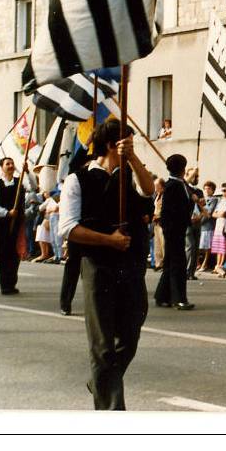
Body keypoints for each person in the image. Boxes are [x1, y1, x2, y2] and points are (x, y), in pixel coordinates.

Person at [58, 119, 155, 410]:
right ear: (113, 145)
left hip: (131, 264)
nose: (131, 148)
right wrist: (108, 240)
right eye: (128, 143)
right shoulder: (78, 179)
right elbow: (68, 228)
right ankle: (112, 414)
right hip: (98, 265)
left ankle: (100, 380)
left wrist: (134, 158)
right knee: (102, 345)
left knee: (131, 332)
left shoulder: (129, 174)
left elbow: (149, 190)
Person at [0, 157, 36, 295]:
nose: (10, 165)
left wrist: (27, 172)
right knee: (4, 254)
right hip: (3, 223)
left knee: (15, 254)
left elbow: (33, 186)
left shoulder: (20, 182)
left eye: (12, 163)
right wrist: (7, 213)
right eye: (7, 164)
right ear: (2, 167)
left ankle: (12, 283)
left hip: (18, 223)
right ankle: (5, 285)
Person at [154, 154, 196, 311]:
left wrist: (193, 197)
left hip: (179, 229)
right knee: (178, 264)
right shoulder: (172, 186)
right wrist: (170, 229)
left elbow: (191, 193)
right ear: (182, 169)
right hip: (174, 231)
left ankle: (162, 296)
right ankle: (179, 298)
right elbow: (166, 212)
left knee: (171, 264)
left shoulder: (180, 184)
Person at [210, 182, 226, 274]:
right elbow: (213, 214)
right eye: (222, 190)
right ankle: (217, 265)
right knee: (218, 246)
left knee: (224, 246)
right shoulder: (221, 201)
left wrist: (220, 214)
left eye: (225, 190)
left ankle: (221, 265)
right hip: (218, 225)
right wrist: (220, 214)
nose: (223, 192)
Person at [184, 167, 203, 280]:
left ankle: (191, 272)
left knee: (196, 247)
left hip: (198, 221)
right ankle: (185, 271)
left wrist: (200, 216)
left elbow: (203, 206)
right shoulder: (185, 189)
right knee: (189, 246)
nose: (196, 178)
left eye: (197, 176)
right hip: (188, 221)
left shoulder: (199, 191)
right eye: (194, 176)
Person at [196, 181, 218, 272]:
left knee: (207, 247)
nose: (207, 190)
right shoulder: (202, 199)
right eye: (205, 188)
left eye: (209, 188)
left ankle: (205, 264)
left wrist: (199, 218)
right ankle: (197, 263)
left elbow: (209, 212)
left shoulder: (214, 199)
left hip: (208, 226)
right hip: (199, 225)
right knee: (198, 246)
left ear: (213, 190)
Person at [152, 178, 166, 270]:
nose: (155, 188)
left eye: (157, 186)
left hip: (162, 222)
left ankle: (165, 263)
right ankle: (159, 263)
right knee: (157, 243)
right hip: (156, 223)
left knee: (164, 243)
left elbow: (165, 210)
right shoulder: (157, 195)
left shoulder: (165, 196)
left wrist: (158, 216)